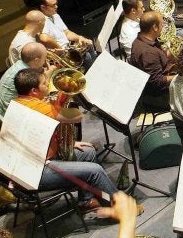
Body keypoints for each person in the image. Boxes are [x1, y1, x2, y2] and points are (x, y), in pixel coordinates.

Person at [13, 68, 122, 213]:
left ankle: (86, 201)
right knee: (95, 171)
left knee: (88, 152)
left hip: (36, 160)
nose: (48, 86)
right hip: (37, 171)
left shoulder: (18, 102)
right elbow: (76, 116)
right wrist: (63, 95)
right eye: (45, 84)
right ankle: (121, 208)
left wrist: (71, 143)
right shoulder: (37, 107)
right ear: (33, 91)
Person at [129, 11, 174, 105]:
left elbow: (160, 57)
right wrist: (180, 77)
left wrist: (178, 51)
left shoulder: (141, 40)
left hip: (157, 85)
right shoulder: (148, 53)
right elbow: (158, 82)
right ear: (155, 27)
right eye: (162, 24)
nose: (163, 27)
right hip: (158, 96)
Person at [0, 42, 50, 120]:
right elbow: (40, 93)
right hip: (9, 117)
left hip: (4, 109)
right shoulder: (26, 76)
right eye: (45, 59)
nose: (45, 61)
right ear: (36, 60)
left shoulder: (21, 64)